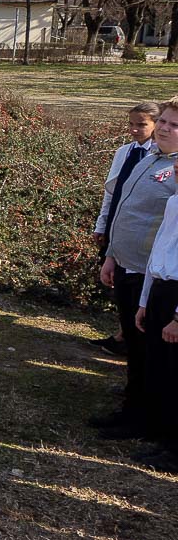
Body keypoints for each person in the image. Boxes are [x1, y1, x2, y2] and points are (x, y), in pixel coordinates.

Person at [97, 97, 178, 439]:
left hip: (153, 276)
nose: (164, 129)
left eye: (174, 125)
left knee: (150, 354)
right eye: (164, 122)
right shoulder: (149, 158)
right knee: (133, 343)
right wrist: (112, 254)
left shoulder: (176, 169)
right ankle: (131, 409)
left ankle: (145, 419)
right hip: (126, 266)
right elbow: (125, 208)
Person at [92, 102, 160, 355]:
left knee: (138, 286)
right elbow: (110, 192)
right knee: (116, 280)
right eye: (131, 124)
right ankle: (124, 333)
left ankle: (129, 337)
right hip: (119, 222)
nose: (134, 130)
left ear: (156, 125)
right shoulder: (124, 152)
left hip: (144, 233)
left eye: (141, 124)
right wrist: (102, 224)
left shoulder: (159, 157)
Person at [134, 191, 178, 471]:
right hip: (160, 290)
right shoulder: (174, 201)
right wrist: (144, 301)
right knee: (160, 368)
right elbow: (159, 246)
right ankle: (163, 437)